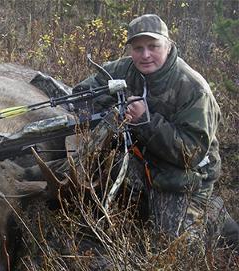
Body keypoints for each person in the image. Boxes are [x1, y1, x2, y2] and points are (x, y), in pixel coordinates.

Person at [72, 14, 239, 246]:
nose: (145, 55)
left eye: (153, 46)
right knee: (96, 177)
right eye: (138, 48)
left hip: (183, 175)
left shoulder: (193, 89)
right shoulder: (123, 69)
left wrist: (145, 121)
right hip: (143, 159)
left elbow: (190, 154)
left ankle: (212, 215)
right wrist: (114, 109)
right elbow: (81, 95)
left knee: (171, 248)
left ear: (168, 45)